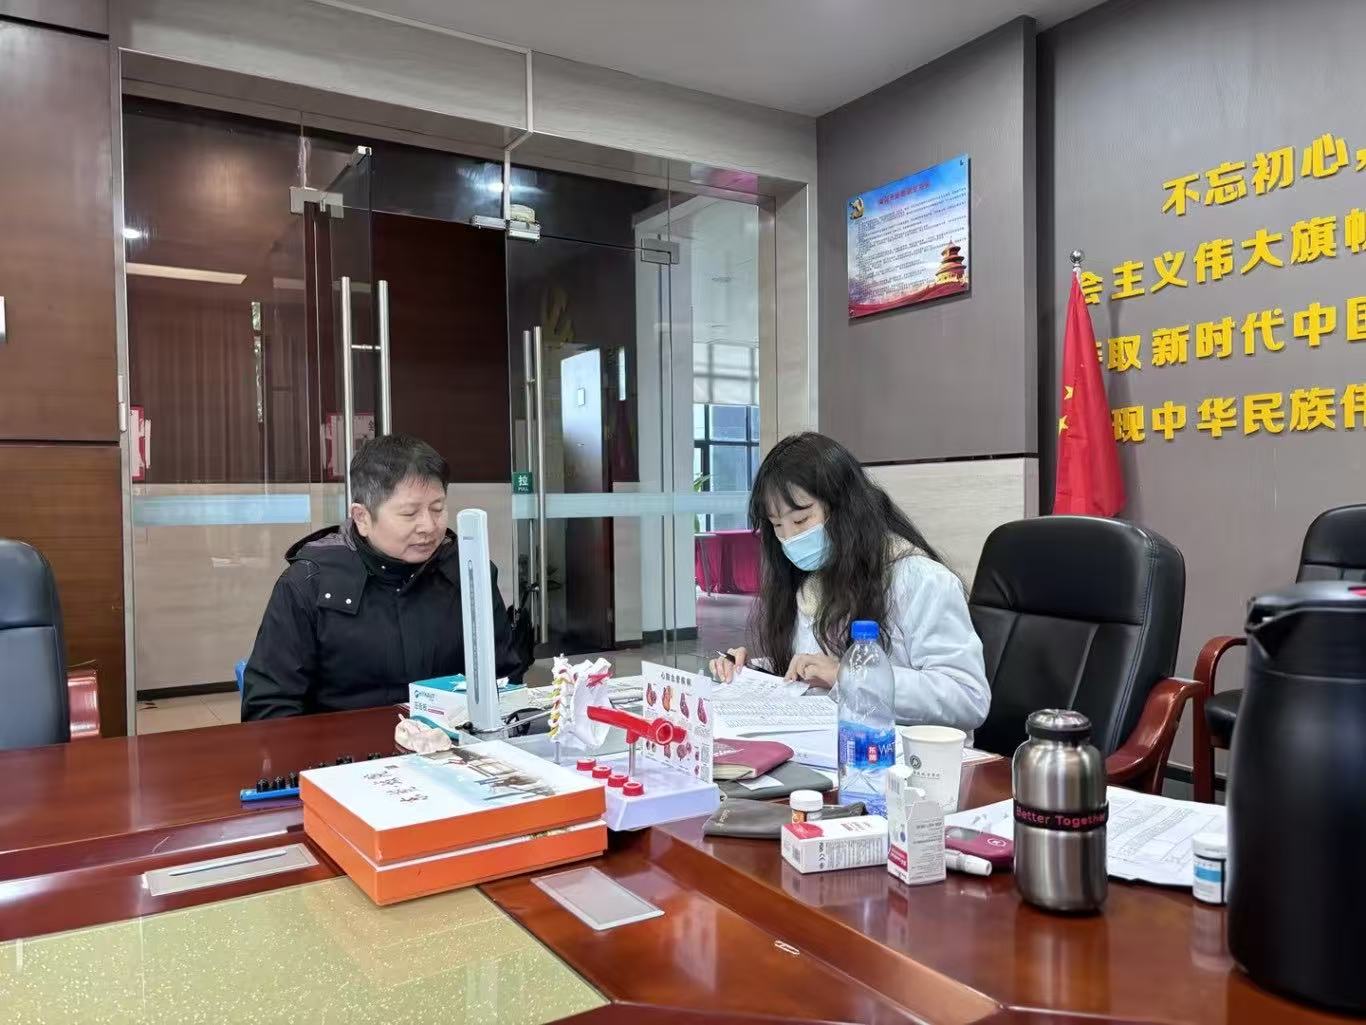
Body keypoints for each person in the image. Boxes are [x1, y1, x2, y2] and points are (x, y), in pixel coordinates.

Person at [710, 432, 990, 731]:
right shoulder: (810, 582)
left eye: (801, 520)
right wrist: (751, 672)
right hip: (831, 744)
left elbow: (967, 698)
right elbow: (814, 670)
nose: (789, 538)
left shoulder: (920, 579)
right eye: (777, 525)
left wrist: (851, 677)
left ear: (844, 507)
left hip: (904, 752)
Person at [242, 433, 515, 720]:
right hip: (345, 745)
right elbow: (270, 707)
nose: (428, 526)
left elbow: (506, 680)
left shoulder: (468, 572)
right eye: (409, 514)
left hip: (452, 741)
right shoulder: (308, 584)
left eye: (437, 509)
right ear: (362, 517)